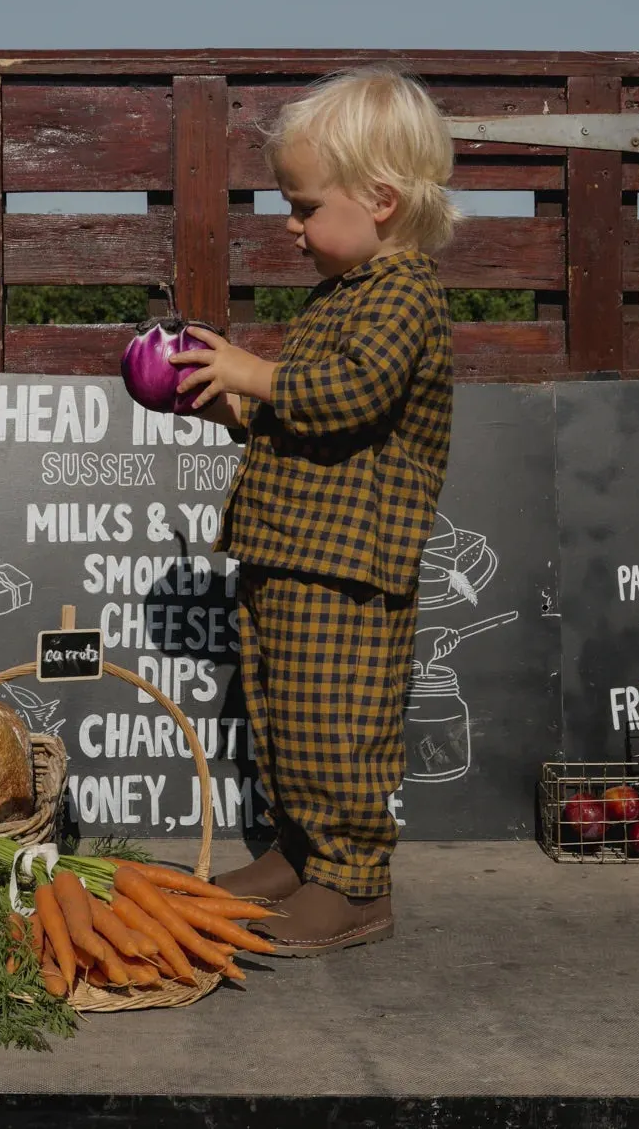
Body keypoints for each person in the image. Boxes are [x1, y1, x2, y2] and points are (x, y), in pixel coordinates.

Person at [169, 64, 456, 957]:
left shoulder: (406, 291)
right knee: (282, 715)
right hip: (291, 547)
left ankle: (354, 883)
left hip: (348, 563)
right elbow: (305, 415)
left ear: (378, 198)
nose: (290, 228)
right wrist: (238, 406)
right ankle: (299, 854)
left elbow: (352, 393)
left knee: (338, 727)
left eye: (302, 207)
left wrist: (258, 373)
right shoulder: (341, 293)